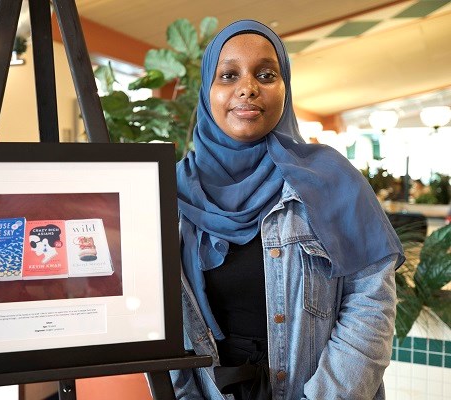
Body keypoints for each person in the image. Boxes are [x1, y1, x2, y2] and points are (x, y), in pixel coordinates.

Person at [171, 20, 404, 400]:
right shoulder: (171, 193)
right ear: (207, 91)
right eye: (228, 75)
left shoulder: (332, 179)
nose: (247, 87)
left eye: (266, 74)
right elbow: (162, 324)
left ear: (285, 88)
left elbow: (370, 302)